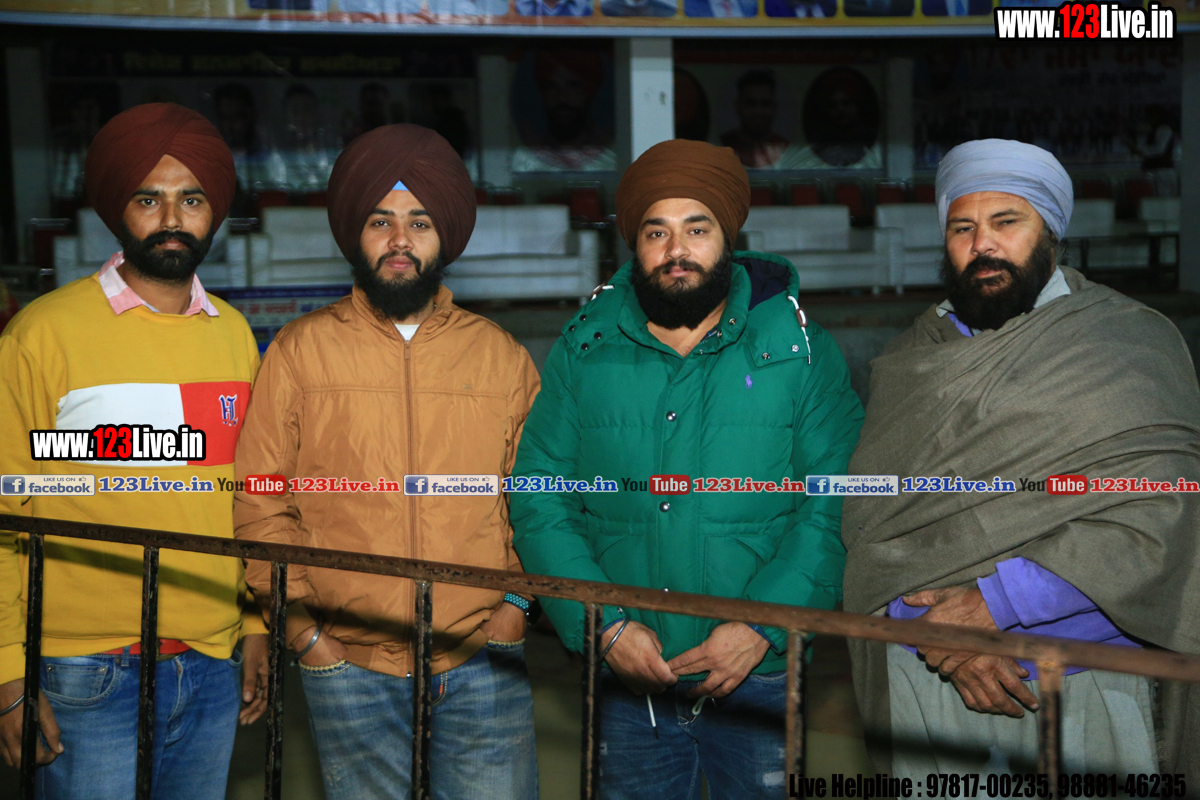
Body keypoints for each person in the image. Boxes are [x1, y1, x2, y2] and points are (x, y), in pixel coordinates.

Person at [511, 139, 863, 800]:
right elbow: (539, 497)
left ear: (728, 238)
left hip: (759, 674)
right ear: (635, 245)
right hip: (625, 675)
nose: (677, 250)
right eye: (657, 232)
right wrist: (603, 626)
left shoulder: (801, 352)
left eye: (697, 229)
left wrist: (761, 625)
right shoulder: (584, 350)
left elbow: (835, 502)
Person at [842, 139, 1200, 778]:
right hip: (931, 677)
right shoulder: (913, 359)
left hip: (1088, 683)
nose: (982, 244)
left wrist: (997, 604)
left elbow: (1166, 513)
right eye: (962, 228)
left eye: (1006, 222)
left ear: (1051, 233)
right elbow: (873, 525)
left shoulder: (1128, 344)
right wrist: (941, 633)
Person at [233, 123, 541, 800]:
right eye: (381, 221)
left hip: (483, 659)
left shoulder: (500, 356)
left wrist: (517, 604)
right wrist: (303, 630)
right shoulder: (300, 351)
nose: (401, 240)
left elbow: (537, 497)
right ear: (356, 233)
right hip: (347, 666)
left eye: (420, 222)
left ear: (444, 236)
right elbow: (260, 497)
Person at [0, 102, 268, 797]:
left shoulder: (233, 335)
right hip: (83, 668)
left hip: (211, 662)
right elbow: (6, 510)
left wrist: (254, 623)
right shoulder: (42, 335)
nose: (172, 218)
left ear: (215, 212)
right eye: (149, 199)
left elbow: (243, 495)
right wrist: (6, 672)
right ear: (118, 208)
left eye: (192, 200)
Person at [719, 70, 790, 168]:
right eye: (750, 104)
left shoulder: (787, 149)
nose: (758, 111)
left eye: (765, 104)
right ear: (738, 106)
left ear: (775, 107)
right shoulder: (721, 146)